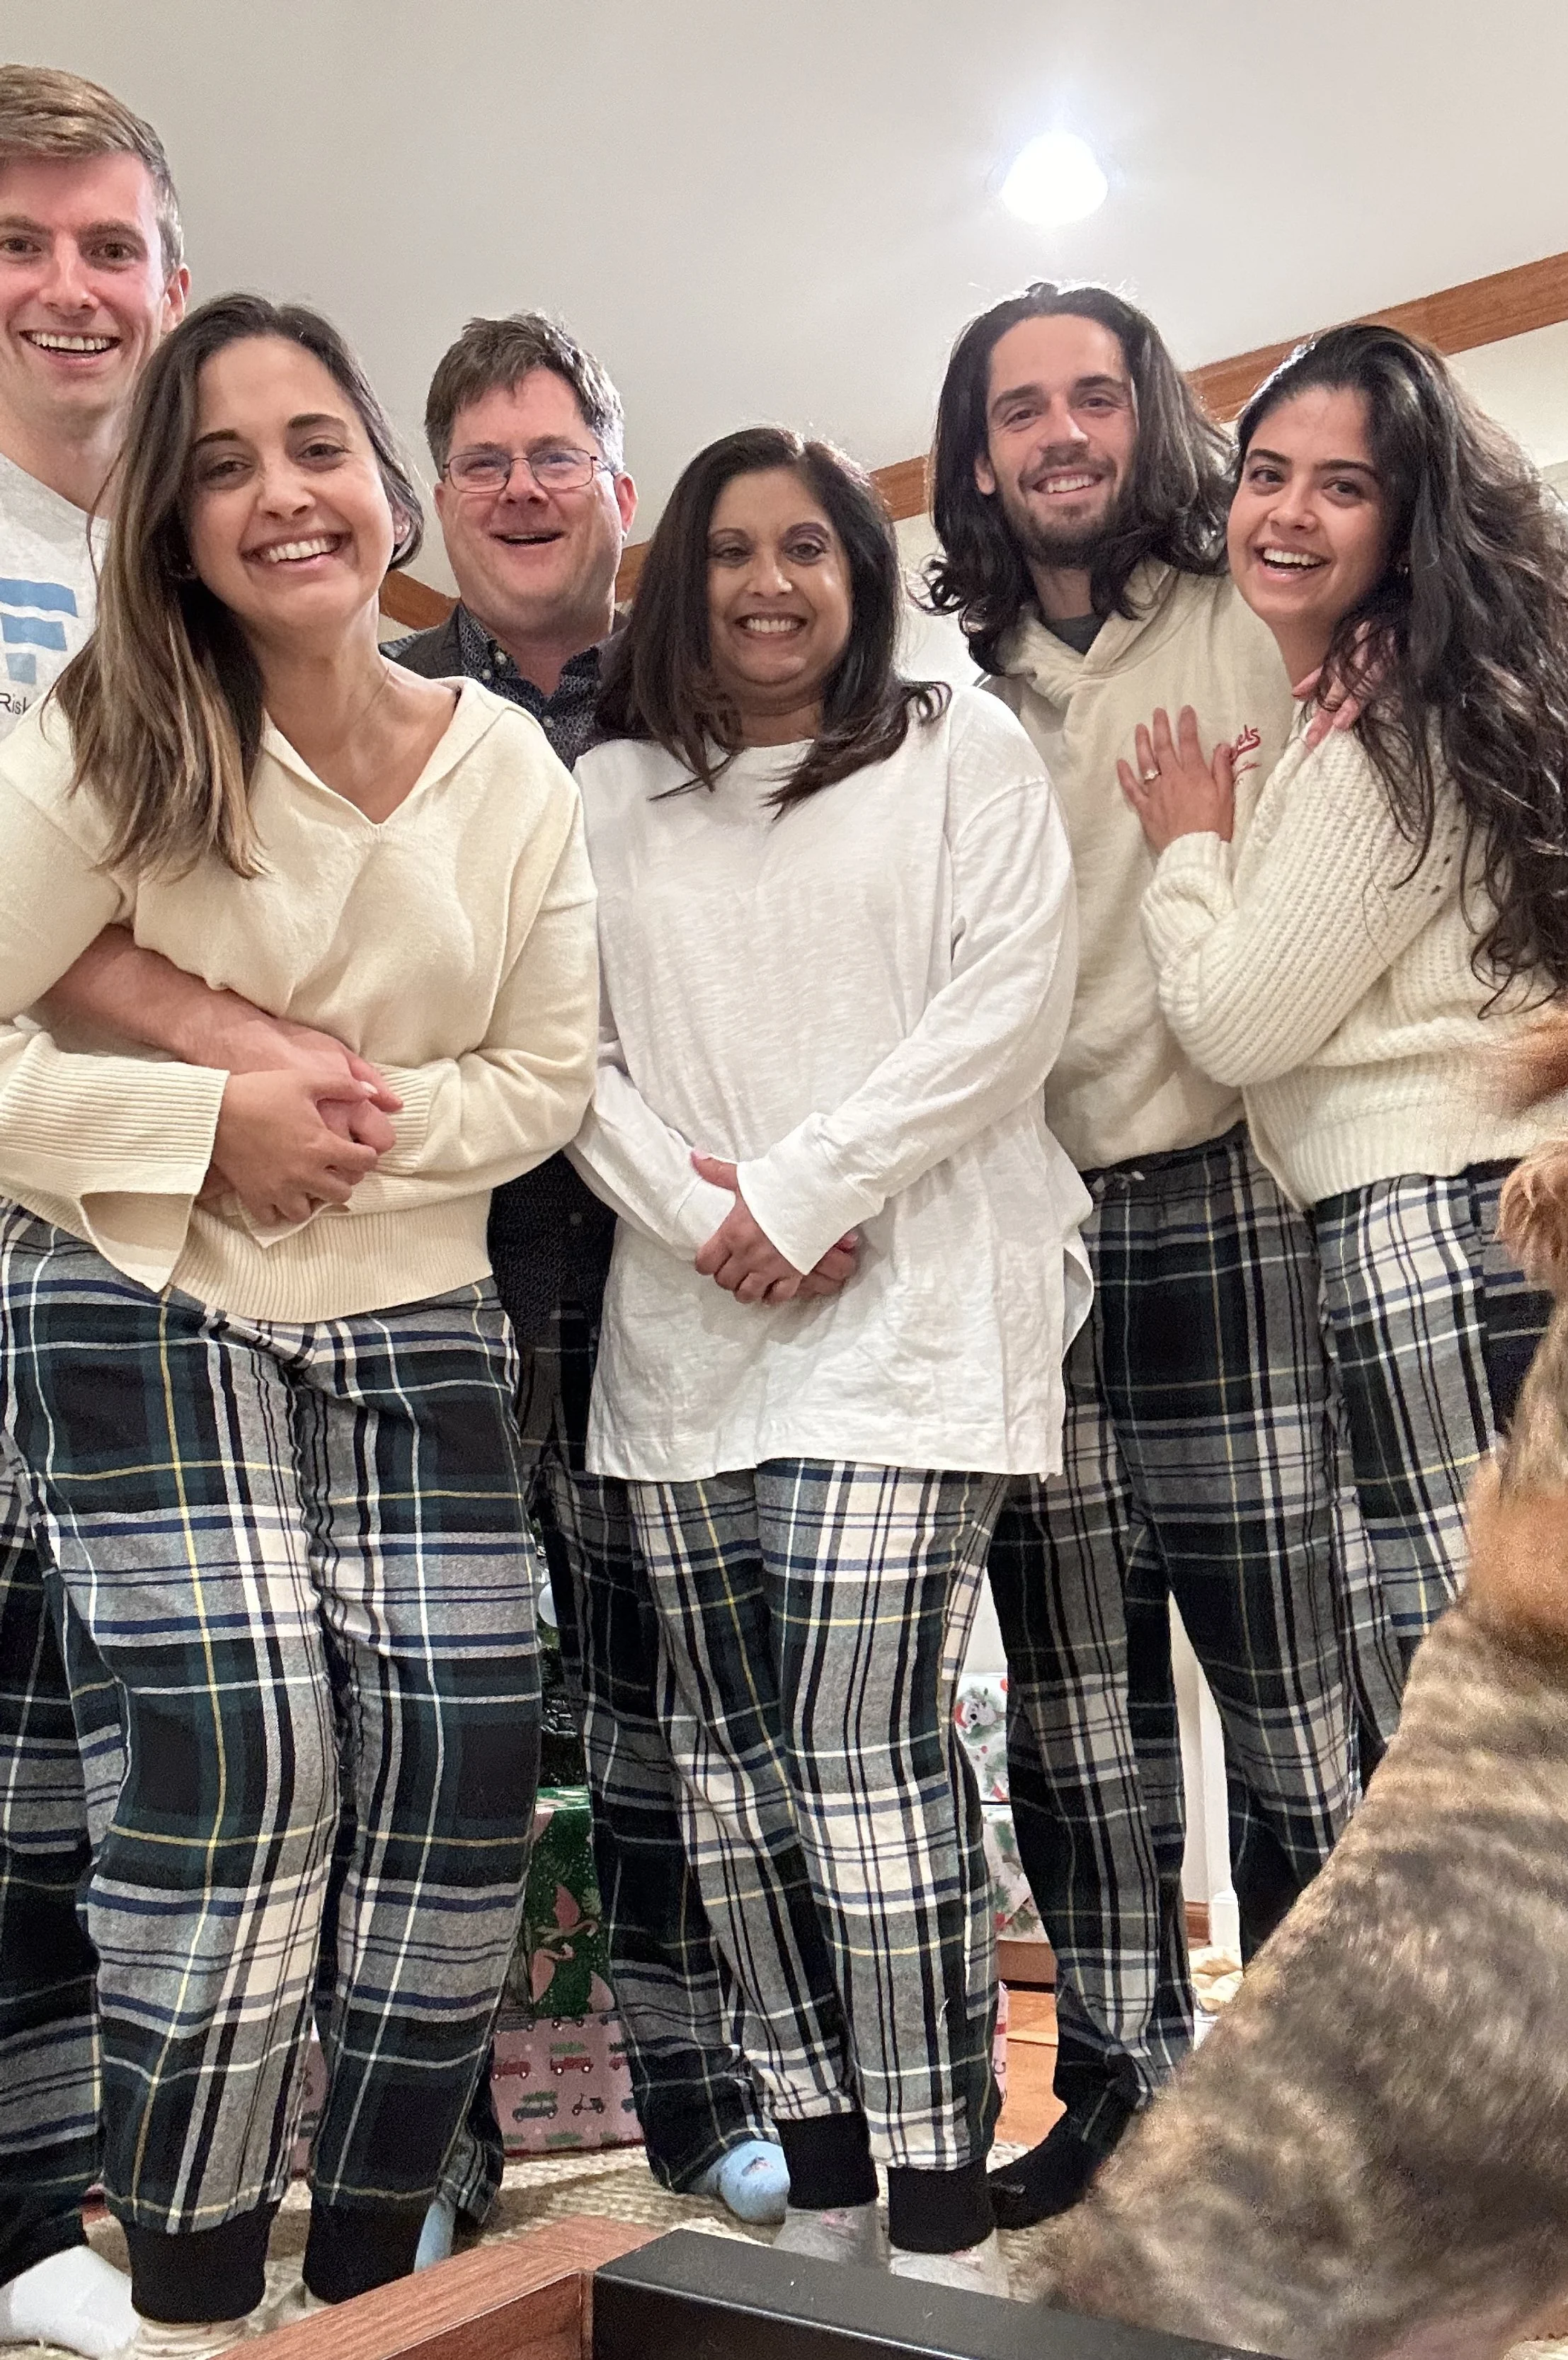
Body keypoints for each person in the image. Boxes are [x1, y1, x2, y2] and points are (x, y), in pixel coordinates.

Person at [0, 292, 595, 2356]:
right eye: (224, 461)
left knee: (452, 1772)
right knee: (244, 1767)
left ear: (387, 484)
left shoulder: (509, 768)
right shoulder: (94, 735)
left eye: (316, 443)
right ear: (168, 521)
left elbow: (548, 1075)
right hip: (144, 1289)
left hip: (418, 1306)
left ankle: (358, 2278)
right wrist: (198, 1118)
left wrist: (328, 1122)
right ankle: (179, 2284)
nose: (279, 492)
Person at [573, 426, 1089, 2293]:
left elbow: (1007, 1004)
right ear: (679, 576)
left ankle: (941, 2200)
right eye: (729, 548)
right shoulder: (607, 790)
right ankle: (832, 2170)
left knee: (863, 1753)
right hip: (685, 1325)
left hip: (912, 1307)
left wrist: (807, 1184)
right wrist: (705, 1206)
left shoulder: (960, 748)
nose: (769, 579)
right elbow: (558, 1043)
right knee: (729, 1772)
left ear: (861, 578)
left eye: (810, 545)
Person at [922, 280, 1361, 2228]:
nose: (1062, 434)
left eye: (1095, 395)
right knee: (1075, 1713)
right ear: (980, 448)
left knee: (1292, 1693)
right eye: (1021, 409)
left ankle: (1323, 2098)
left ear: (1149, 416)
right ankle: (1120, 2087)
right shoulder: (938, 674)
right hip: (1033, 1229)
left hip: (1229, 1203)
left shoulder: (1248, 613)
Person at [1120, 319, 1568, 1731]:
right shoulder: (1403, 707)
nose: (1286, 513)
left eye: (1342, 486)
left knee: (1492, 1707)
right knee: (1539, 1684)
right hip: (1487, 1222)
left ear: (1409, 520)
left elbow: (1238, 1022)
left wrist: (1185, 848)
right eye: (1264, 473)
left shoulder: (1387, 726)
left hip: (1433, 1229)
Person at [390, 309, 789, 2242]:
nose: (525, 490)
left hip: (678, 1274)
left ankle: (703, 2101)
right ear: (435, 501)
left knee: (674, 1717)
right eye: (484, 463)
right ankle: (435, 2156)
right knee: (445, 1738)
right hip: (439, 1277)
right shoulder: (371, 707)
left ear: (620, 486)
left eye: (557, 455)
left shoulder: (726, 690)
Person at [0, 64, 186, 2360]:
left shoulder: (197, 559)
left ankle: (46, 2212)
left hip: (143, 1243)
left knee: (83, 1749)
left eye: (105, 245)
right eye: (22, 245)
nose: (64, 285)